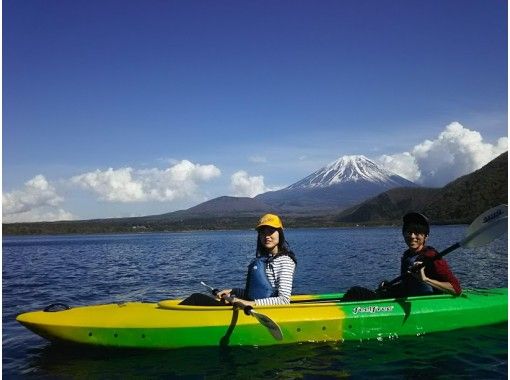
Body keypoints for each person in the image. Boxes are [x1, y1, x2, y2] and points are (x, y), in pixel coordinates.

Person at [179, 213, 297, 306]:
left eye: (271, 231)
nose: (266, 236)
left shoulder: (285, 261)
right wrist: (233, 291)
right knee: (197, 298)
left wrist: (250, 303)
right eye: (262, 232)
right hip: (253, 304)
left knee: (196, 298)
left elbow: (284, 300)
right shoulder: (265, 259)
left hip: (260, 309)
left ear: (280, 234)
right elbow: (255, 293)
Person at [380, 212, 462, 297]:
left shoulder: (432, 257)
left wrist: (425, 280)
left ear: (425, 237)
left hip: (428, 305)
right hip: (412, 299)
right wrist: (389, 287)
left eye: (417, 233)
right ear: (403, 235)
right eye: (409, 232)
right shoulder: (407, 255)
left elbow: (456, 289)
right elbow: (409, 284)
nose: (412, 236)